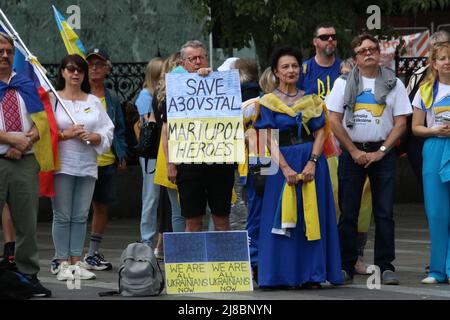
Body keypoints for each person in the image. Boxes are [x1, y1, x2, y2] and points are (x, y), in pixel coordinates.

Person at [327, 33, 412, 285]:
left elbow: (401, 123)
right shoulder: (343, 83)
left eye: (373, 48)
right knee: (349, 212)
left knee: (385, 213)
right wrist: (353, 151)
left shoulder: (393, 83)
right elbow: (333, 120)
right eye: (363, 50)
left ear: (379, 52)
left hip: (382, 154)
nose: (368, 53)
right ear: (355, 57)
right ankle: (345, 265)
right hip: (352, 153)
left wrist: (382, 151)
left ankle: (386, 266)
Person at [254, 46, 342, 288]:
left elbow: (321, 133)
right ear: (276, 72)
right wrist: (285, 168)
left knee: (310, 215)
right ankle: (279, 276)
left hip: (311, 160)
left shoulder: (311, 99)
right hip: (279, 163)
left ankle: (311, 275)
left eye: (294, 66)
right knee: (278, 217)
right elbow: (265, 138)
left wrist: (313, 162)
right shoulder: (267, 102)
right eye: (285, 67)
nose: (291, 70)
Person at [50, 54, 114, 281]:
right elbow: (44, 130)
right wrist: (65, 135)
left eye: (79, 70)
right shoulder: (53, 99)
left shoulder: (93, 100)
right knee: (62, 215)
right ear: (62, 72)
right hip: (62, 166)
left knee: (79, 216)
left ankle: (77, 261)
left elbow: (108, 129)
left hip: (87, 165)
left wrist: (96, 137)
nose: (75, 74)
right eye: (70, 69)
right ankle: (61, 261)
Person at [0, 31, 53, 297]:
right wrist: (9, 139)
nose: (5, 55)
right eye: (0, 51)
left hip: (25, 159)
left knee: (27, 223)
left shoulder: (24, 84)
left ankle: (27, 275)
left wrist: (25, 142)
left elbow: (40, 120)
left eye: (9, 51)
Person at [164, 40, 234, 232]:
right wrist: (170, 163)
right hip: (188, 163)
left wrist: (210, 79)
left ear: (206, 59)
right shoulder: (175, 90)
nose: (197, 62)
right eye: (192, 58)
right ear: (183, 63)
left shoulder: (222, 84)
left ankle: (222, 261)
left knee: (222, 219)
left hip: (220, 161)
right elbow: (166, 130)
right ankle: (192, 262)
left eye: (201, 57)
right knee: (192, 221)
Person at [83, 48, 128, 271]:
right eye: (90, 64)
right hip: (83, 160)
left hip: (107, 160)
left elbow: (119, 128)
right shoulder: (79, 94)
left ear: (107, 69)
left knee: (102, 207)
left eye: (99, 65)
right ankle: (69, 254)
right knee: (78, 208)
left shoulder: (111, 97)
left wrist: (122, 155)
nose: (94, 69)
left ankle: (92, 253)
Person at [411, 42, 450, 284]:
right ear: (434, 63)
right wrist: (434, 129)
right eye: (442, 58)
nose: (447, 62)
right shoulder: (425, 90)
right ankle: (437, 270)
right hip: (435, 148)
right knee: (436, 212)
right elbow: (415, 127)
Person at [134, 57, 166, 250]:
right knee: (151, 195)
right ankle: (146, 240)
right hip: (152, 152)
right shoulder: (146, 96)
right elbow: (148, 124)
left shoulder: (161, 93)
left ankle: (160, 240)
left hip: (163, 149)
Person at [297, 22, 341, 99]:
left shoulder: (344, 68)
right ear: (315, 42)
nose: (330, 39)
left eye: (333, 37)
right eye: (324, 37)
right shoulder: (303, 69)